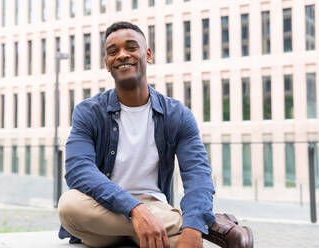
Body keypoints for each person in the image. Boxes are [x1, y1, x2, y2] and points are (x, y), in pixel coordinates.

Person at [58, 21, 253, 248]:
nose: (122, 55)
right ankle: (213, 226)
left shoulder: (177, 115)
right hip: (103, 210)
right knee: (69, 206)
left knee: (188, 239)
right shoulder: (88, 111)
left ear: (147, 54)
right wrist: (136, 211)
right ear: (107, 64)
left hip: (155, 210)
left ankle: (185, 225)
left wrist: (190, 231)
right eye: (113, 52)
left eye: (131, 47)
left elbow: (197, 174)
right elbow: (78, 170)